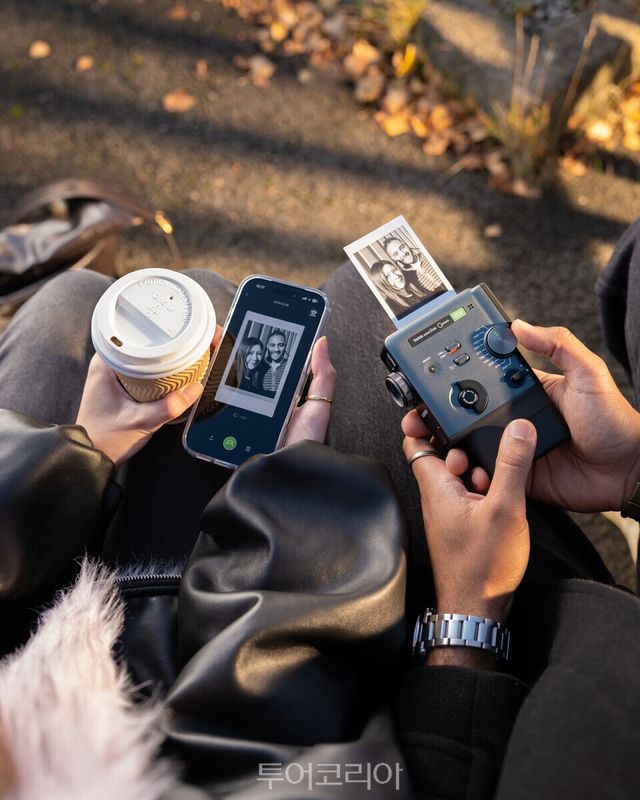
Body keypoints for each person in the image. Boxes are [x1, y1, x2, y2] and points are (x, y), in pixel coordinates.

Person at [260, 328, 288, 395]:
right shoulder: (259, 365)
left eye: (281, 345)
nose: (276, 349)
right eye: (272, 345)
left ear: (285, 347)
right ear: (267, 346)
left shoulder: (291, 366)